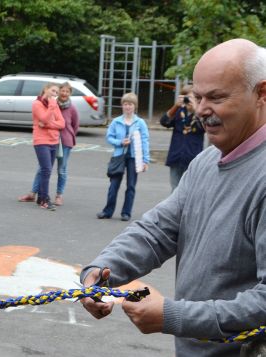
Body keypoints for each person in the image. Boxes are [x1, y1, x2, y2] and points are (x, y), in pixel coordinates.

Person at [80, 38, 266, 356]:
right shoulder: (205, 162)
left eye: (216, 97)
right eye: (197, 96)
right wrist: (102, 271)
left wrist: (172, 315)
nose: (202, 110)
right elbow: (158, 229)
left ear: (262, 93)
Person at [18, 82, 79, 206]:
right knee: (43, 169)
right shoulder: (50, 104)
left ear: (70, 94)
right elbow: (46, 119)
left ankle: (58, 195)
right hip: (49, 140)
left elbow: (71, 125)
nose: (63, 94)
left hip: (64, 141)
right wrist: (51, 122)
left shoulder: (71, 108)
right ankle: (34, 194)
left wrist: (47, 125)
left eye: (67, 92)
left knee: (61, 169)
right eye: (61, 91)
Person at [96, 92, 149, 221]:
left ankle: (126, 212)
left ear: (134, 106)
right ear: (122, 106)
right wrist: (119, 142)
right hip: (119, 156)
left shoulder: (140, 122)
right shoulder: (116, 121)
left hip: (134, 157)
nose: (127, 107)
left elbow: (145, 141)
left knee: (131, 185)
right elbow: (109, 137)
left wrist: (145, 160)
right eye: (125, 104)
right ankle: (107, 211)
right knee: (113, 185)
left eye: (130, 104)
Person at [159, 85, 205, 191]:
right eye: (186, 97)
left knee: (190, 190)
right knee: (175, 189)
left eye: (192, 98)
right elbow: (164, 122)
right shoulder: (179, 112)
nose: (188, 100)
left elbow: (205, 127)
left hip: (192, 158)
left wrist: (196, 110)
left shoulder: (201, 115)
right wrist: (175, 106)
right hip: (176, 156)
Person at [29, 83, 65, 210]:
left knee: (46, 171)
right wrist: (51, 106)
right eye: (53, 91)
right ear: (46, 90)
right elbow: (43, 118)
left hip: (54, 141)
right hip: (41, 141)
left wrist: (49, 124)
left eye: (56, 92)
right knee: (46, 169)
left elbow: (62, 124)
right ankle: (45, 199)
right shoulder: (37, 104)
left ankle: (40, 198)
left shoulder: (54, 105)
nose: (55, 94)